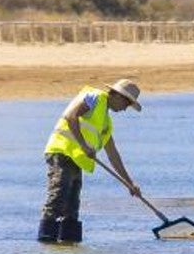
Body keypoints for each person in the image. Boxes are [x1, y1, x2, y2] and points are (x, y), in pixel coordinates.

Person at [38, 79, 142, 244]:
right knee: (58, 197)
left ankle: (69, 242)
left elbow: (113, 154)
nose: (125, 108)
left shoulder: (106, 123)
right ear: (117, 95)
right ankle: (46, 240)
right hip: (62, 152)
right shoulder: (94, 97)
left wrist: (130, 183)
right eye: (126, 103)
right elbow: (70, 116)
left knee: (72, 206)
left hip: (77, 159)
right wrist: (84, 145)